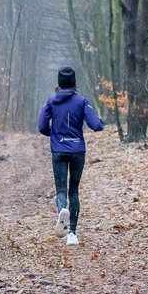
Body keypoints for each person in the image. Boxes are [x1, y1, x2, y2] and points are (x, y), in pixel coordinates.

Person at [37, 67, 104, 246]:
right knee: (74, 191)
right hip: (77, 151)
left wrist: (54, 133)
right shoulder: (82, 101)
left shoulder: (51, 101)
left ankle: (62, 210)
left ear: (59, 84)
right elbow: (95, 125)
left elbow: (41, 125)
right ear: (75, 83)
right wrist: (101, 123)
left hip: (58, 150)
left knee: (61, 190)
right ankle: (72, 234)